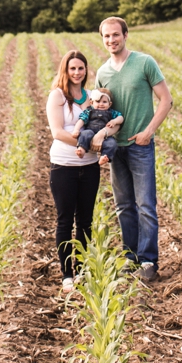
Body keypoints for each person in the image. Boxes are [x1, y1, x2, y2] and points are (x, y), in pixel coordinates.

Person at [94, 16, 173, 282]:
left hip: (140, 146)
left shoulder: (144, 63)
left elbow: (166, 100)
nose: (111, 40)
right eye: (106, 36)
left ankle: (149, 260)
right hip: (117, 149)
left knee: (146, 205)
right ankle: (131, 257)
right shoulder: (102, 73)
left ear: (126, 35)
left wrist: (148, 131)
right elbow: (99, 112)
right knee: (124, 205)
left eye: (116, 35)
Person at [46, 48, 121, 292]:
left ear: (86, 70)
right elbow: (57, 132)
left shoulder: (92, 96)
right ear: (65, 71)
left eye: (81, 68)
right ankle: (67, 273)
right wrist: (86, 144)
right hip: (64, 166)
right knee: (65, 220)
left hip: (88, 167)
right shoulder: (57, 96)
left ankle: (84, 268)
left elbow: (107, 121)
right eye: (72, 68)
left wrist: (103, 135)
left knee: (86, 221)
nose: (77, 72)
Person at [74, 89, 124, 161]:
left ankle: (104, 156)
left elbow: (121, 118)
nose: (101, 104)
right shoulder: (89, 111)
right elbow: (82, 120)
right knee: (85, 134)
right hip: (90, 131)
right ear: (91, 103)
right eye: (98, 101)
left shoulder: (111, 112)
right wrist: (76, 129)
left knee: (112, 143)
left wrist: (114, 121)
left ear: (110, 104)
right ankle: (81, 149)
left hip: (105, 137)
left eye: (104, 102)